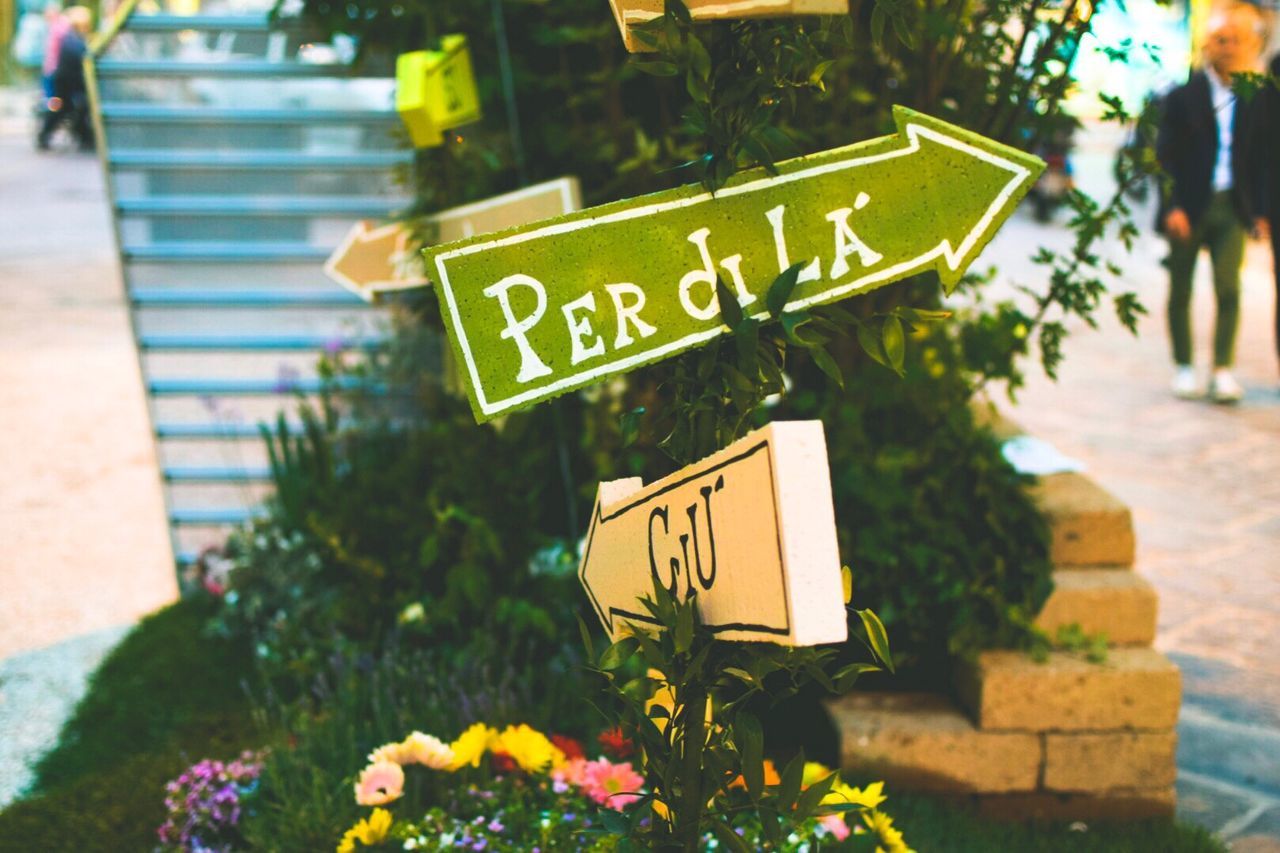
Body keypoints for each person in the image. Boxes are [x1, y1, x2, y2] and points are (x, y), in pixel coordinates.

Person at [1155, 2, 1267, 403]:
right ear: (1208, 45)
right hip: (1188, 204)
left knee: (1229, 288)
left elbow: (1262, 159)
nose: (1229, 47)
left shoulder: (1255, 96)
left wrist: (1261, 212)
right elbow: (1163, 157)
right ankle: (1184, 365)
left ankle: (1222, 368)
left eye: (1237, 40)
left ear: (1249, 45)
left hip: (1231, 205)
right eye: (1222, 39)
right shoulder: (1183, 96)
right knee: (1180, 289)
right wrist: (1173, 207)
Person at [36, 5, 93, 151]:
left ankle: (83, 137)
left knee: (62, 107)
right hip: (64, 82)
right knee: (63, 106)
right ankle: (83, 137)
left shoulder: (69, 37)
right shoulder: (73, 39)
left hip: (61, 80)